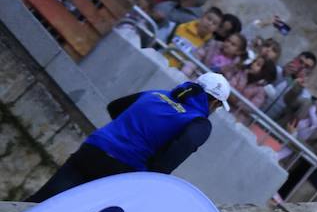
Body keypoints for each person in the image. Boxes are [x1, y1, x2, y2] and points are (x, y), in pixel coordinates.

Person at [27, 74, 232, 202]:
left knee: (39, 202)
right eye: (218, 106)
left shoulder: (156, 94)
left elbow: (114, 107)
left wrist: (128, 130)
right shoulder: (198, 122)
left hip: (92, 149)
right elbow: (174, 156)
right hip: (121, 169)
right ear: (214, 102)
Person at [261, 51, 317, 121]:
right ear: (294, 60)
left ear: (310, 72)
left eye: (307, 67)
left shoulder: (305, 95)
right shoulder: (277, 70)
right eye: (300, 62)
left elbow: (290, 108)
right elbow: (263, 85)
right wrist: (284, 75)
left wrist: (297, 87)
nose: (302, 67)